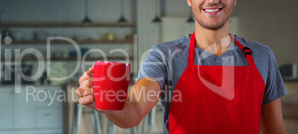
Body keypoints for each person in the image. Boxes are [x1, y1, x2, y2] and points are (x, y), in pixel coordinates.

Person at [76, 0, 288, 133]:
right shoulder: (162, 56)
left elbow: (275, 129)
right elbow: (134, 109)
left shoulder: (262, 56)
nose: (213, 0)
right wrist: (108, 102)